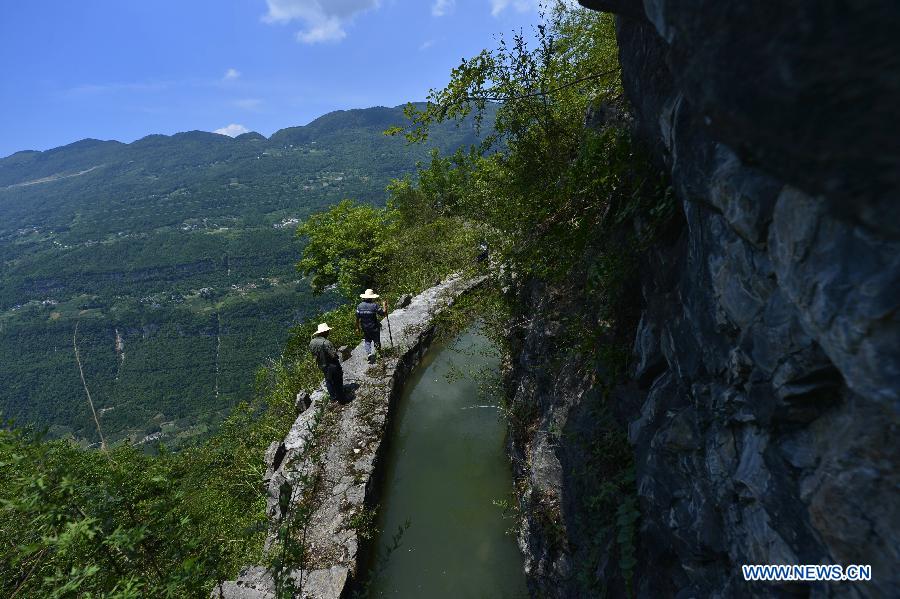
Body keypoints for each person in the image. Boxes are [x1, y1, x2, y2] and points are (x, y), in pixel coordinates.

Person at [309, 322, 346, 403]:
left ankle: (333, 397)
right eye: (327, 331)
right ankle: (342, 399)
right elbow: (333, 355)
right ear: (324, 332)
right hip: (332, 365)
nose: (329, 332)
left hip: (322, 365)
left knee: (328, 380)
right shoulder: (326, 342)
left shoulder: (312, 342)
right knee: (338, 381)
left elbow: (313, 354)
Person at [356, 288, 387, 363]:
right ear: (371, 298)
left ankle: (369, 354)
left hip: (365, 327)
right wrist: (384, 306)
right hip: (374, 327)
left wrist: (357, 328)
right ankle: (379, 354)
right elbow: (383, 313)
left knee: (367, 340)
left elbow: (357, 318)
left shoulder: (359, 306)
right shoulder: (374, 305)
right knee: (376, 340)